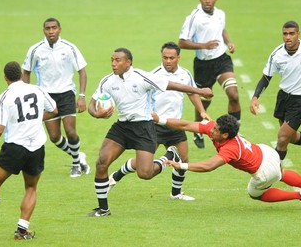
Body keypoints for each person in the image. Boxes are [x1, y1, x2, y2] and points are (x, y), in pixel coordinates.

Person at [86, 48, 213, 216]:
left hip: (143, 127)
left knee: (145, 173)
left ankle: (169, 157)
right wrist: (97, 114)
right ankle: (103, 209)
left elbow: (171, 85)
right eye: (112, 60)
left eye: (118, 60)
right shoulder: (107, 81)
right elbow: (92, 104)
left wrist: (200, 91)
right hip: (122, 127)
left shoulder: (141, 77)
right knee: (101, 163)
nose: (113, 64)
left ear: (128, 62)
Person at [0, 61, 58, 241]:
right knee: (31, 188)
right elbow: (54, 110)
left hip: (14, 148)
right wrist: (36, 120)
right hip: (37, 148)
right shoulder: (37, 90)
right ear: (22, 76)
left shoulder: (4, 97)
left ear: (5, 78)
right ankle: (22, 231)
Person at [153, 113, 301, 208]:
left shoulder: (230, 149)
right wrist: (159, 119)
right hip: (266, 152)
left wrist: (180, 165)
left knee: (255, 194)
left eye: (216, 130)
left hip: (264, 170)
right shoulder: (214, 128)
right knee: (283, 173)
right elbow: (185, 125)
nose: (211, 130)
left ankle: (299, 195)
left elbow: (209, 166)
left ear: (225, 135)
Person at [249, 21, 301, 172]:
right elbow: (266, 77)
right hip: (283, 97)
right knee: (290, 136)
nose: (288, 37)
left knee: (282, 137)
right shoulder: (277, 53)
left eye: (292, 34)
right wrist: (255, 96)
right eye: (285, 34)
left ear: (298, 34)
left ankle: (272, 170)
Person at [22, 17, 90, 177]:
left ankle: (75, 165)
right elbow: (26, 72)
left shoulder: (69, 48)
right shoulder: (36, 50)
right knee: (54, 137)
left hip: (66, 93)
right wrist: (27, 94)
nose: (51, 31)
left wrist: (81, 96)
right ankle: (79, 156)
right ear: (43, 31)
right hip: (45, 96)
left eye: (54, 28)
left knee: (70, 131)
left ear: (60, 29)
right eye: (48, 28)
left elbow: (82, 71)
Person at [179, 0, 241, 149]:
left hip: (222, 60)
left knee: (233, 95)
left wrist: (229, 42)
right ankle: (198, 129)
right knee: (205, 100)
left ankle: (234, 134)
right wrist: (204, 45)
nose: (208, 0)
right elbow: (182, 42)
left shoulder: (220, 14)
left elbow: (222, 29)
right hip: (203, 65)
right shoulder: (194, 17)